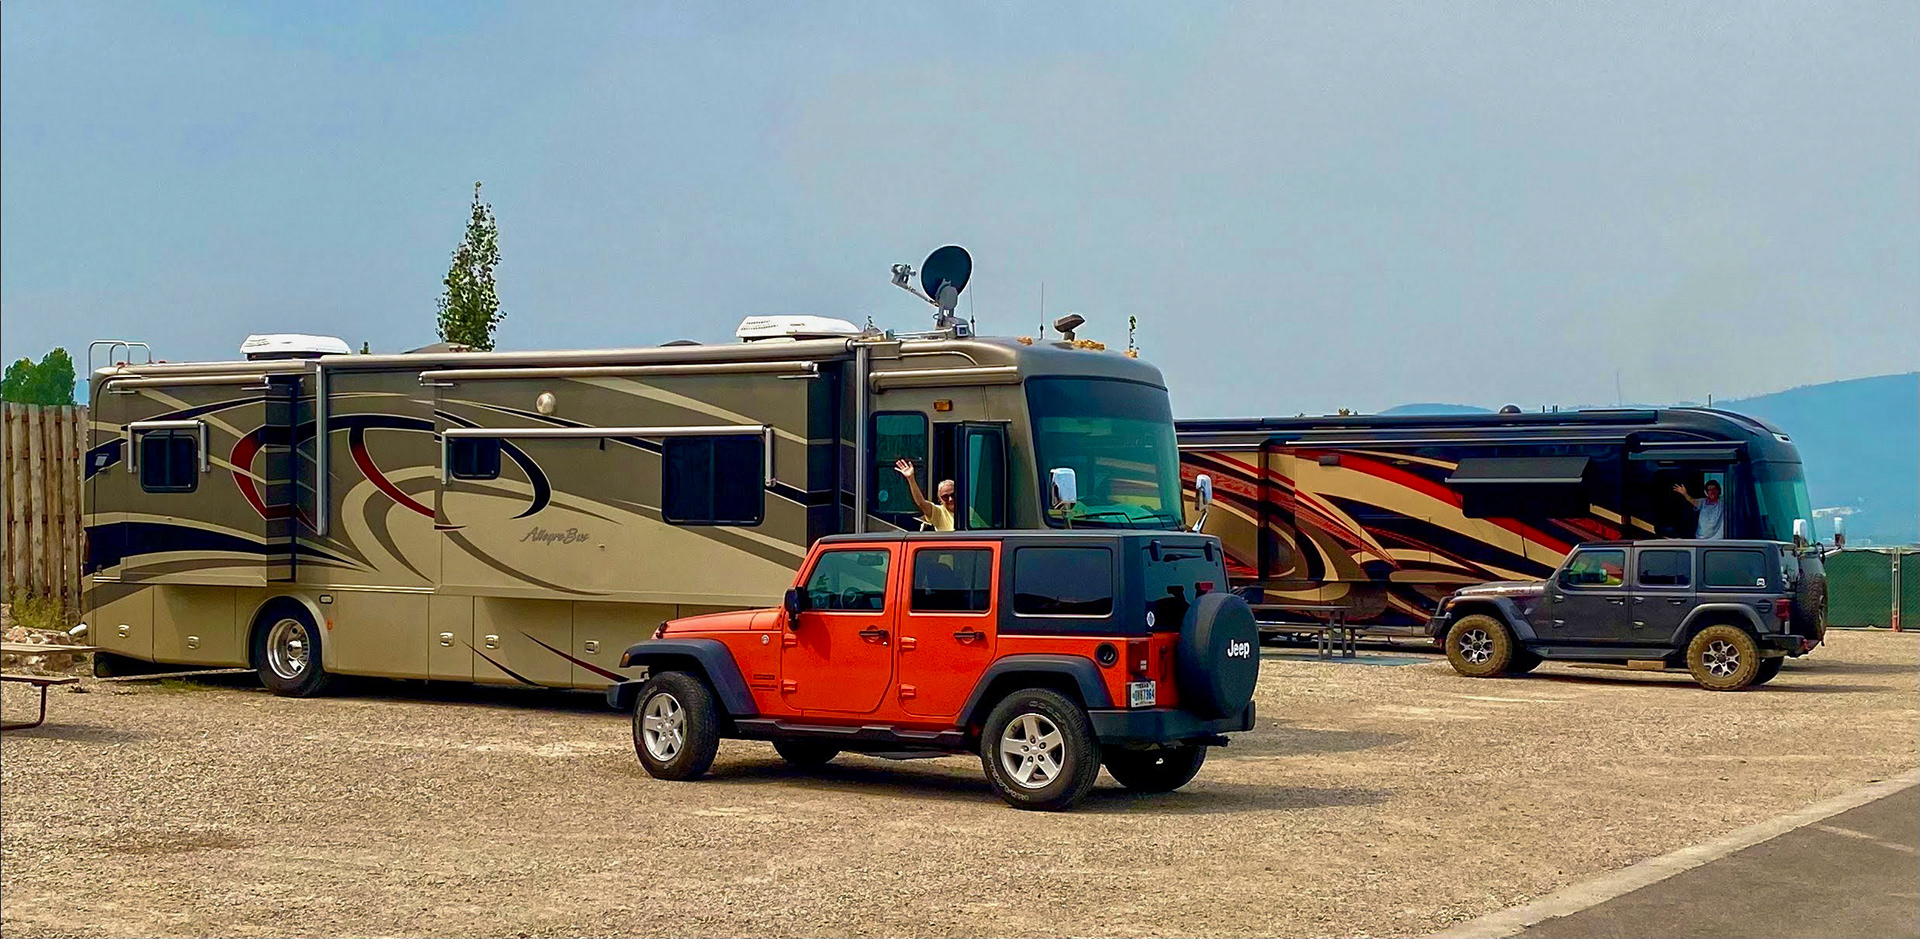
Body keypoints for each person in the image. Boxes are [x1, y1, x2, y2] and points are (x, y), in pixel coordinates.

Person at [895, 458, 958, 531]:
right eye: (945, 497)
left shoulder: (967, 511)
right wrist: (911, 478)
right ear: (940, 500)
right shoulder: (939, 513)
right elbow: (921, 503)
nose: (950, 499)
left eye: (953, 495)